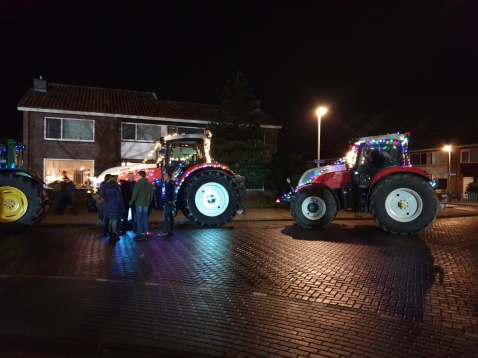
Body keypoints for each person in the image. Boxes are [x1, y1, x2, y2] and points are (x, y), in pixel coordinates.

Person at [129, 170, 153, 241]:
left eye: (138, 175)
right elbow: (151, 194)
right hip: (146, 203)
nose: (137, 176)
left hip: (139, 203)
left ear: (140, 175)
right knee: (145, 219)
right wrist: (149, 201)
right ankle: (145, 234)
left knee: (139, 219)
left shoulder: (138, 184)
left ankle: (139, 234)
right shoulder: (149, 184)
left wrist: (130, 203)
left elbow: (134, 195)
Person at [104, 175, 125, 242]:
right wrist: (123, 207)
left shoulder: (107, 187)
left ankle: (110, 234)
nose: (118, 179)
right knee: (115, 220)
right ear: (115, 179)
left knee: (110, 220)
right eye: (118, 178)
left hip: (109, 204)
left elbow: (106, 197)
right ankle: (113, 235)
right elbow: (119, 198)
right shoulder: (116, 187)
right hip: (116, 205)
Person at [158, 171, 175, 236]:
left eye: (165, 175)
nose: (164, 176)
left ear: (168, 177)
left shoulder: (170, 184)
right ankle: (170, 230)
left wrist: (167, 200)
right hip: (170, 201)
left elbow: (170, 193)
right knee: (170, 216)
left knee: (165, 216)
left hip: (168, 202)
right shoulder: (169, 183)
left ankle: (165, 231)